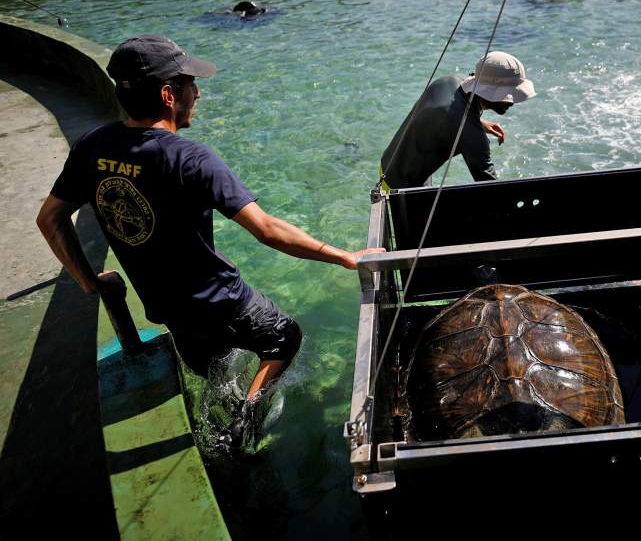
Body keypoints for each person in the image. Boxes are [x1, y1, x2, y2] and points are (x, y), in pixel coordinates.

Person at [36, 34, 382, 453]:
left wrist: (89, 282)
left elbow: (49, 217)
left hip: (169, 310)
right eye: (189, 85)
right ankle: (246, 425)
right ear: (168, 95)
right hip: (221, 300)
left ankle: (228, 422)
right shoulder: (192, 159)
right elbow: (267, 229)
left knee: (217, 373)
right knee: (286, 337)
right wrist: (345, 257)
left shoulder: (92, 146)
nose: (196, 92)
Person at [378, 51, 536, 191]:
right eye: (508, 95)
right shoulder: (472, 136)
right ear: (489, 92)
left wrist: (481, 124)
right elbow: (491, 187)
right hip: (399, 184)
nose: (512, 102)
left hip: (390, 160)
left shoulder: (452, 81)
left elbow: (447, 115)